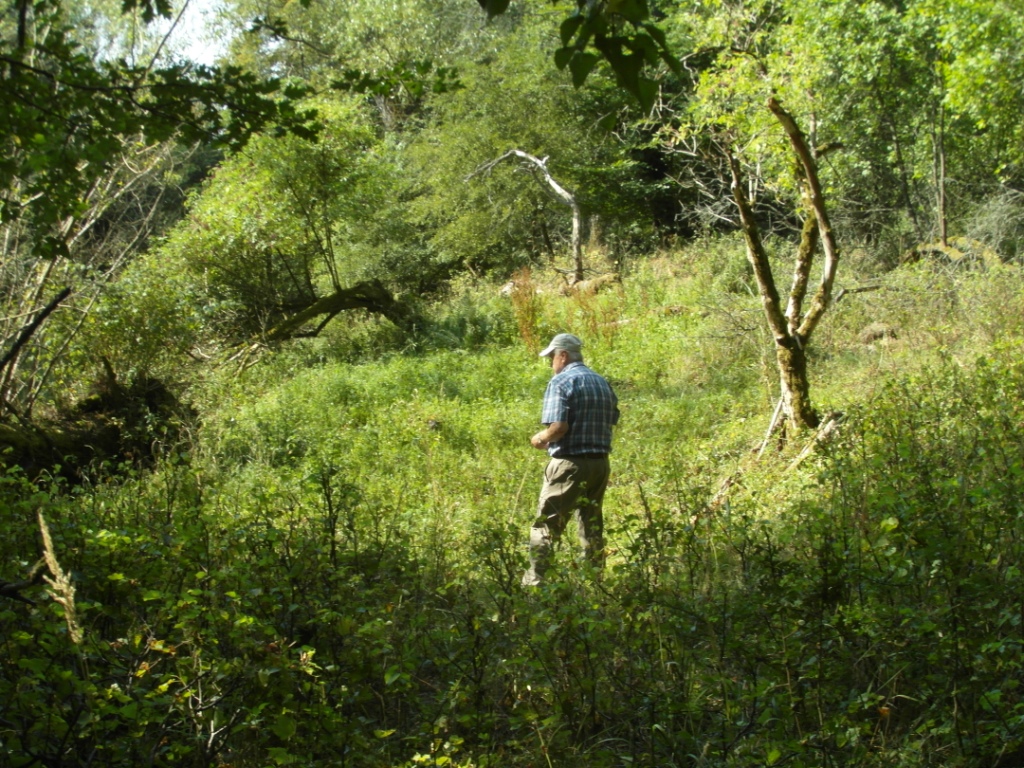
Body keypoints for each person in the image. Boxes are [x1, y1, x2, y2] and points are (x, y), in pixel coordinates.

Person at [522, 333, 619, 586]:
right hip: (599, 464)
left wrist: (540, 438)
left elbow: (559, 427)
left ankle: (536, 584)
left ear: (562, 355)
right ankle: (594, 582)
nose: (552, 363)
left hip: (568, 464)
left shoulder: (561, 381)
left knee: (546, 526)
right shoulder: (602, 382)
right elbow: (612, 419)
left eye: (552, 357)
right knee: (591, 523)